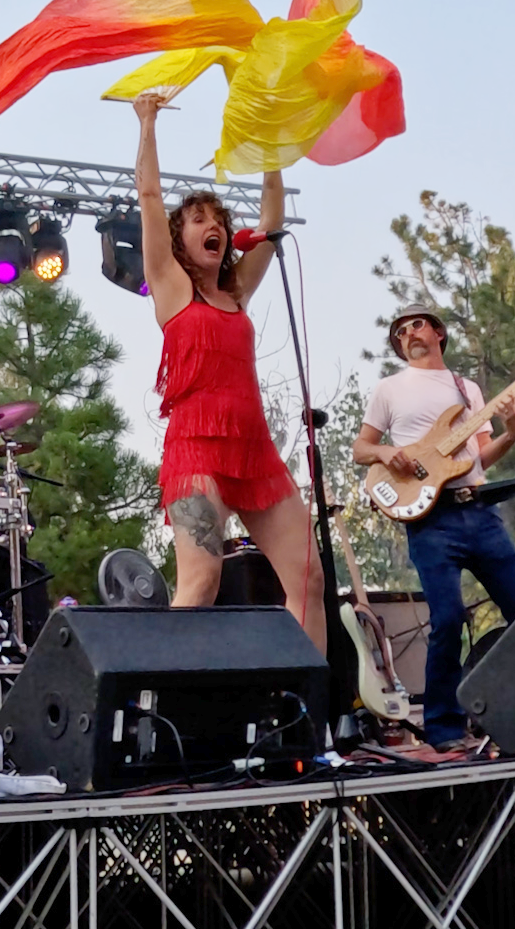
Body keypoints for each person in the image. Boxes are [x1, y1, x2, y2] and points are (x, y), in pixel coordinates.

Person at [132, 93, 327, 654]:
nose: (211, 226)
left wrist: (271, 147)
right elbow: (148, 195)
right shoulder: (172, 287)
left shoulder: (236, 291)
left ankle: (303, 714)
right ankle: (158, 703)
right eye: (198, 220)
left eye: (218, 220)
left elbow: (272, 220)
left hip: (255, 451)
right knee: (201, 581)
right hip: (196, 451)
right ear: (180, 239)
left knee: (309, 580)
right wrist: (147, 123)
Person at [351, 303, 515, 750]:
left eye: (416, 325)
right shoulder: (389, 389)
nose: (408, 334)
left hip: (481, 513)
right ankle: (444, 727)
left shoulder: (466, 388)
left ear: (437, 333)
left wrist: (512, 432)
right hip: (432, 520)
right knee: (448, 618)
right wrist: (385, 454)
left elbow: (479, 457)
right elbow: (360, 447)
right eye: (400, 331)